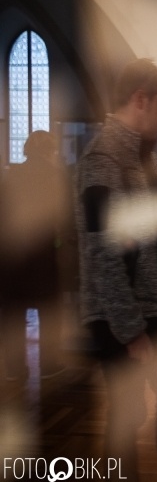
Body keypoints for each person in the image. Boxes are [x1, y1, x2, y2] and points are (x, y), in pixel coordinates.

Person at [74, 58, 157, 482]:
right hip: (125, 323)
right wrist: (131, 331)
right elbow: (103, 254)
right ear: (138, 100)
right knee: (125, 425)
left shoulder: (144, 159)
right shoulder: (103, 161)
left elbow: (155, 243)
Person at [0, 130, 71, 382]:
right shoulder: (55, 176)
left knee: (14, 312)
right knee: (49, 309)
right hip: (44, 254)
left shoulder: (12, 175)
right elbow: (63, 217)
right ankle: (49, 364)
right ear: (49, 150)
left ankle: (15, 367)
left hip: (14, 255)